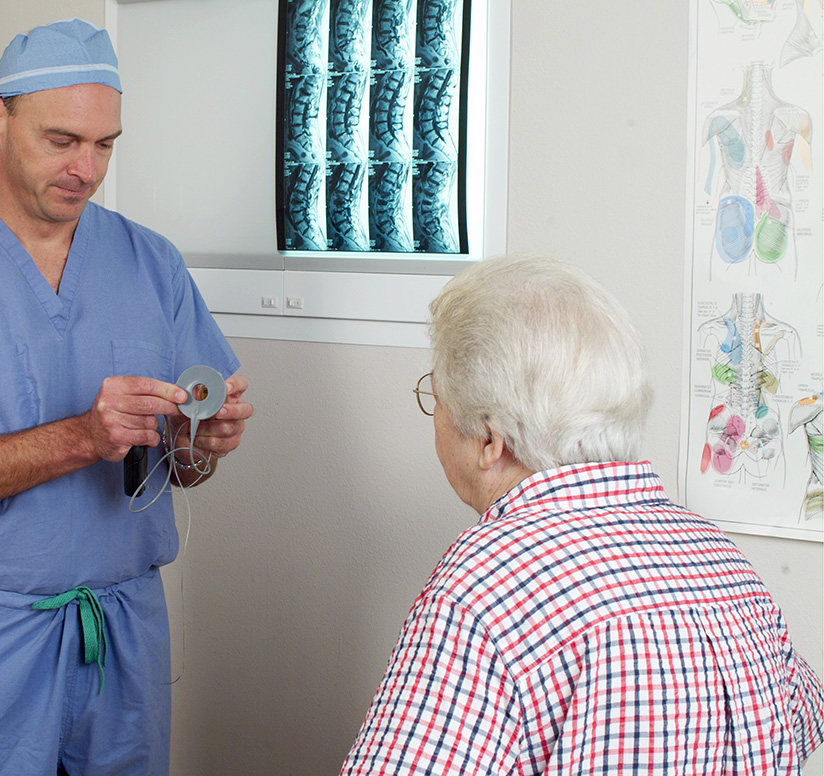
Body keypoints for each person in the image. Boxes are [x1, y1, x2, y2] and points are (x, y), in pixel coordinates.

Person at [0, 18, 252, 775]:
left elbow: (183, 471)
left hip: (126, 632)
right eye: (62, 140)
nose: (86, 168)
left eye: (105, 145)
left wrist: (198, 445)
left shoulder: (151, 263)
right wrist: (83, 437)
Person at [340, 254, 824, 774]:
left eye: (434, 397)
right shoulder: (721, 559)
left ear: (488, 438)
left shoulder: (483, 588)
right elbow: (803, 718)